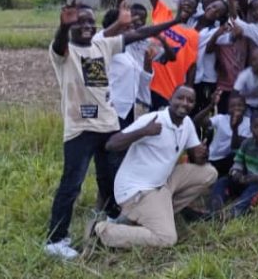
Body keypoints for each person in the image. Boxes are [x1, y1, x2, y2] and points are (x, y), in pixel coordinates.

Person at [43, 0, 181, 259]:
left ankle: (111, 218)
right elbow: (60, 43)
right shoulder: (64, 52)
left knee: (110, 177)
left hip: (108, 125)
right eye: (79, 22)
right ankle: (56, 239)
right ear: (70, 25)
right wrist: (63, 26)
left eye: (89, 21)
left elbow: (139, 33)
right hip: (80, 128)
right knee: (72, 183)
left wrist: (176, 20)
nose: (86, 25)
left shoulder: (102, 45)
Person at [91, 86, 219, 248]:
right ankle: (104, 230)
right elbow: (111, 144)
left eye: (190, 101)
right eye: (180, 98)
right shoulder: (153, 120)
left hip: (162, 182)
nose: (184, 103)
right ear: (170, 99)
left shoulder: (186, 123)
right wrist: (144, 131)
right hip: (137, 190)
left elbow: (197, 158)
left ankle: (157, 214)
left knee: (209, 173)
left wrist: (202, 154)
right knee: (167, 238)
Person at [210, 110, 258, 218]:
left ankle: (235, 211)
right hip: (248, 180)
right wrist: (236, 173)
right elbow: (238, 163)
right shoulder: (247, 144)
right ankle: (215, 207)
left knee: (254, 189)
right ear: (251, 128)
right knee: (223, 180)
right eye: (256, 127)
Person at [143, 0, 202, 110]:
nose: (186, 5)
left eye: (191, 5)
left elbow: (192, 66)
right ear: (178, 3)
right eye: (184, 2)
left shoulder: (193, 35)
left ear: (194, 12)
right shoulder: (163, 14)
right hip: (147, 80)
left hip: (169, 87)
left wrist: (188, 90)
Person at [193, 91, 251, 176]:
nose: (236, 108)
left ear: (245, 107)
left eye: (240, 105)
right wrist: (211, 106)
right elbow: (197, 121)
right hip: (214, 159)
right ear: (228, 109)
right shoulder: (221, 119)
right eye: (232, 106)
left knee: (235, 154)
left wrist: (235, 129)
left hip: (233, 161)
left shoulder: (249, 123)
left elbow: (235, 146)